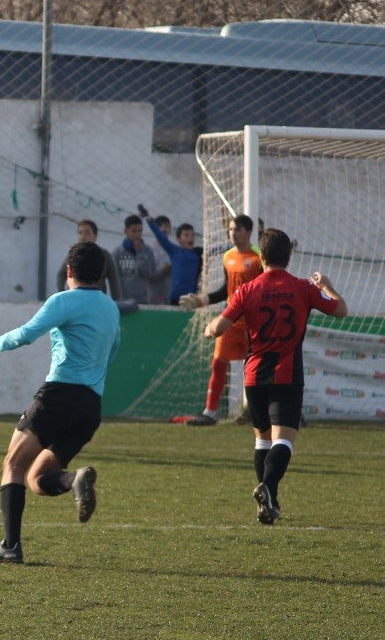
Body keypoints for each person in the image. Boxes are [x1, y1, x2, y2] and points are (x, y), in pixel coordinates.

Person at [0, 240, 121, 563]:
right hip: (91, 406)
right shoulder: (110, 307)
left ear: (69, 270)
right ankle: (73, 480)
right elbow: (113, 350)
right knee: (37, 479)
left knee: (13, 464)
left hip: (58, 396)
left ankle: (11, 547)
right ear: (102, 273)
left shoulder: (63, 300)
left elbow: (26, 334)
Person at [204, 228, 347, 524]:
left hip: (255, 376)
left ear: (261, 257)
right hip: (286, 375)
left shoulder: (247, 290)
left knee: (263, 441)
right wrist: (328, 286)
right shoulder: (303, 288)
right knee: (284, 441)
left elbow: (218, 328)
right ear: (289, 255)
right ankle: (267, 487)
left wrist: (208, 328)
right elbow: (341, 310)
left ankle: (270, 504)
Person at [178, 213, 262, 425]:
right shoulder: (227, 257)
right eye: (230, 229)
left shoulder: (259, 257)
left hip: (255, 320)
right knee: (218, 362)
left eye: (237, 229)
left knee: (261, 367)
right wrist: (202, 300)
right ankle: (210, 412)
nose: (232, 233)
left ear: (248, 232)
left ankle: (278, 410)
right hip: (231, 318)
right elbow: (226, 289)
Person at [140, 207, 202, 305]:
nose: (190, 238)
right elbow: (160, 235)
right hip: (175, 299)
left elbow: (215, 250)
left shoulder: (198, 253)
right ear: (178, 239)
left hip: (191, 299)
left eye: (192, 235)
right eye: (186, 235)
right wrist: (148, 218)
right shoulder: (174, 251)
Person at [56, 219, 121, 299]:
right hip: (75, 298)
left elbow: (113, 279)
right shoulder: (73, 254)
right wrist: (61, 294)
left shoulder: (104, 255)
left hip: (96, 299)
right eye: (80, 232)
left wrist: (116, 300)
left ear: (95, 235)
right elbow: (61, 274)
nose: (83, 236)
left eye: (87, 232)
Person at [112, 214, 157, 304]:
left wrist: (140, 252)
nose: (137, 234)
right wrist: (119, 299)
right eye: (134, 231)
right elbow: (116, 278)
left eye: (140, 231)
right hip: (124, 300)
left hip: (143, 299)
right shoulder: (117, 252)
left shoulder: (147, 250)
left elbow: (149, 274)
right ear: (126, 231)